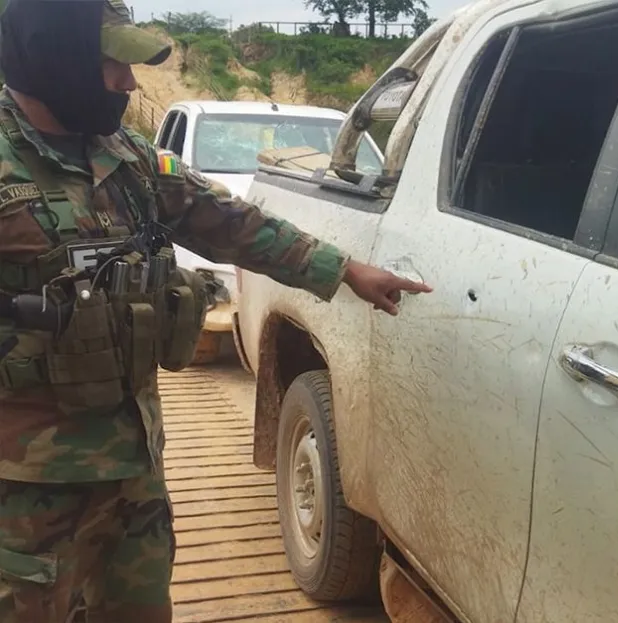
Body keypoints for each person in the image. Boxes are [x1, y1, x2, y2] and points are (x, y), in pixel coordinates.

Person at [0, 1, 432, 621]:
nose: (129, 82)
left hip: (133, 472)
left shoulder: (125, 154)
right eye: (113, 63)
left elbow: (229, 222)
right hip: (25, 491)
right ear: (53, 56)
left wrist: (342, 270)